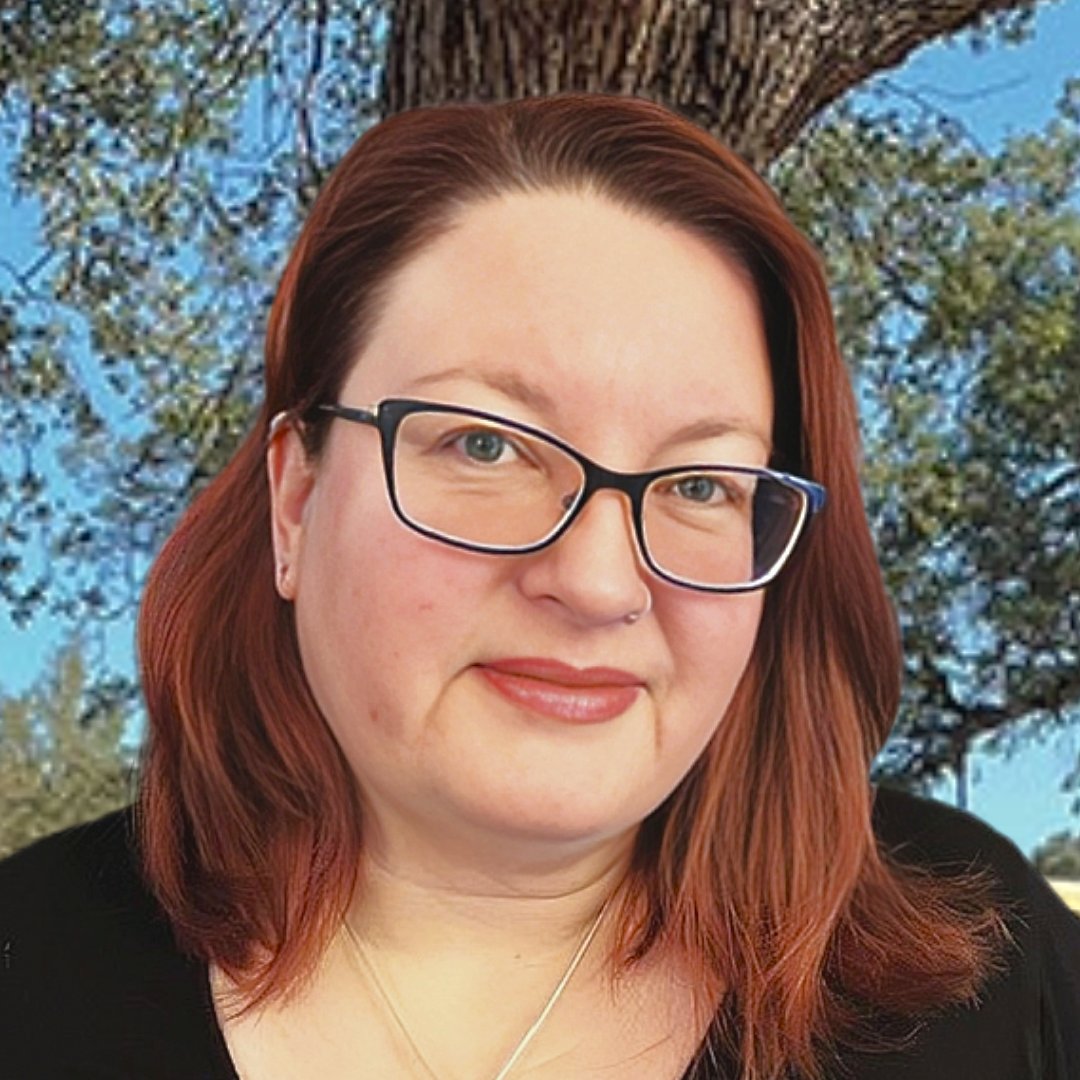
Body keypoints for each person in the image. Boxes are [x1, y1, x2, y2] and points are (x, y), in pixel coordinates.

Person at [1, 92, 1078, 1080]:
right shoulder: (31, 982)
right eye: (484, 447)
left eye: (700, 481)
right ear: (296, 501)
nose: (600, 583)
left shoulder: (988, 976)